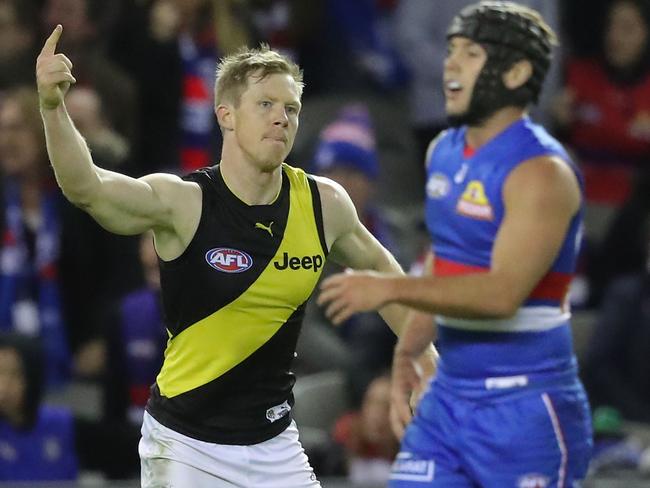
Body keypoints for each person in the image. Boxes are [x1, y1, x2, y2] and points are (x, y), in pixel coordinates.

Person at [36, 25, 433, 487]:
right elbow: (87, 188)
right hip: (186, 446)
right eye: (265, 105)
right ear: (226, 115)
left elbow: (389, 279)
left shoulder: (324, 204)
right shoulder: (183, 202)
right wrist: (51, 107)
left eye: (291, 108)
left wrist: (428, 364)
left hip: (275, 445)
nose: (281, 118)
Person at [319, 2, 594, 486]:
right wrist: (408, 352)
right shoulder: (443, 151)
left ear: (516, 72)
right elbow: (443, 263)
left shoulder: (542, 172)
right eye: (450, 50)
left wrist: (391, 291)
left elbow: (501, 294)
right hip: (448, 399)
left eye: (469, 53)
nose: (450, 63)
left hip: (524, 407)